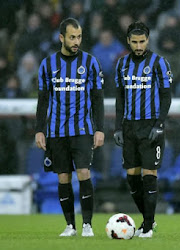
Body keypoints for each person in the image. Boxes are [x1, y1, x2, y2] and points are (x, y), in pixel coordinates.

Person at [35, 18, 105, 237]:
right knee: (63, 177)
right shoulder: (47, 65)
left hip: (82, 129)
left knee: (83, 172)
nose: (77, 41)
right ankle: (70, 226)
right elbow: (43, 100)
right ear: (61, 38)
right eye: (72, 37)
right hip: (56, 132)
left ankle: (87, 225)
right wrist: (39, 129)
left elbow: (97, 98)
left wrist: (99, 128)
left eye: (79, 37)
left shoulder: (91, 62)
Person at [113, 21, 172, 238]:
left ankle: (147, 226)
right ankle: (150, 219)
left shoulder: (159, 63)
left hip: (150, 126)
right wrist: (117, 127)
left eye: (142, 41)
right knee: (132, 177)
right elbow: (119, 98)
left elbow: (166, 96)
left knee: (149, 173)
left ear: (148, 40)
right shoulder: (121, 65)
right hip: (129, 127)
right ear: (128, 41)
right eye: (135, 42)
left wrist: (160, 124)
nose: (138, 46)